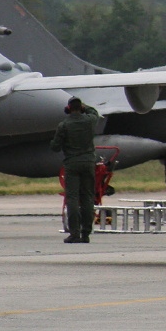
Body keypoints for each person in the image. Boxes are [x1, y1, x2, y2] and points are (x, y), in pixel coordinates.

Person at [50, 97, 102, 244]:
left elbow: (55, 147)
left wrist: (52, 142)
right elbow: (95, 112)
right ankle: (86, 233)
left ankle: (74, 233)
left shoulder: (64, 125)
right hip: (88, 163)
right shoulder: (89, 121)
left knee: (72, 198)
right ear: (81, 108)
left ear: (68, 108)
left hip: (72, 164)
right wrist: (86, 108)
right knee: (88, 197)